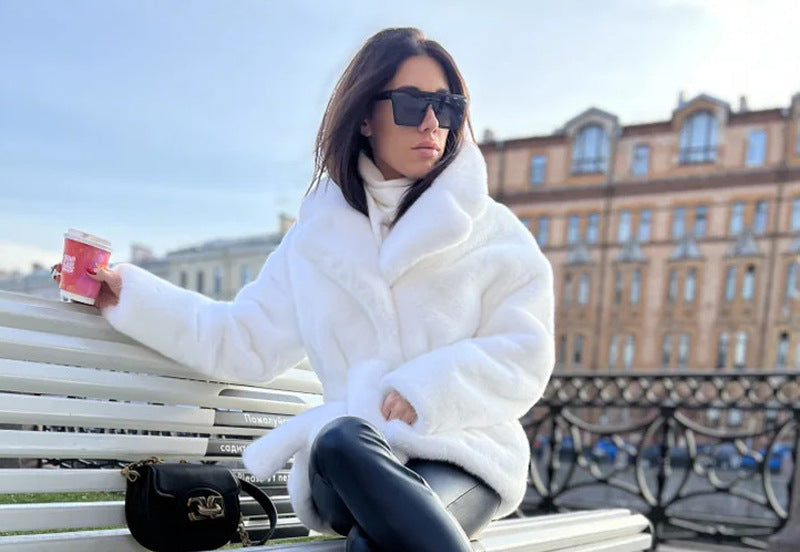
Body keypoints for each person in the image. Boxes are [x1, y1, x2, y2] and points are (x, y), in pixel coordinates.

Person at [55, 27, 555, 552]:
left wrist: (425, 390)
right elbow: (242, 341)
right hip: (347, 462)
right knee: (340, 441)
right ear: (365, 116)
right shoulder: (316, 241)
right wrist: (129, 296)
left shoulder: (492, 233)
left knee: (373, 545)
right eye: (412, 104)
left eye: (447, 106)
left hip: (463, 451)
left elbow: (525, 353)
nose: (433, 123)